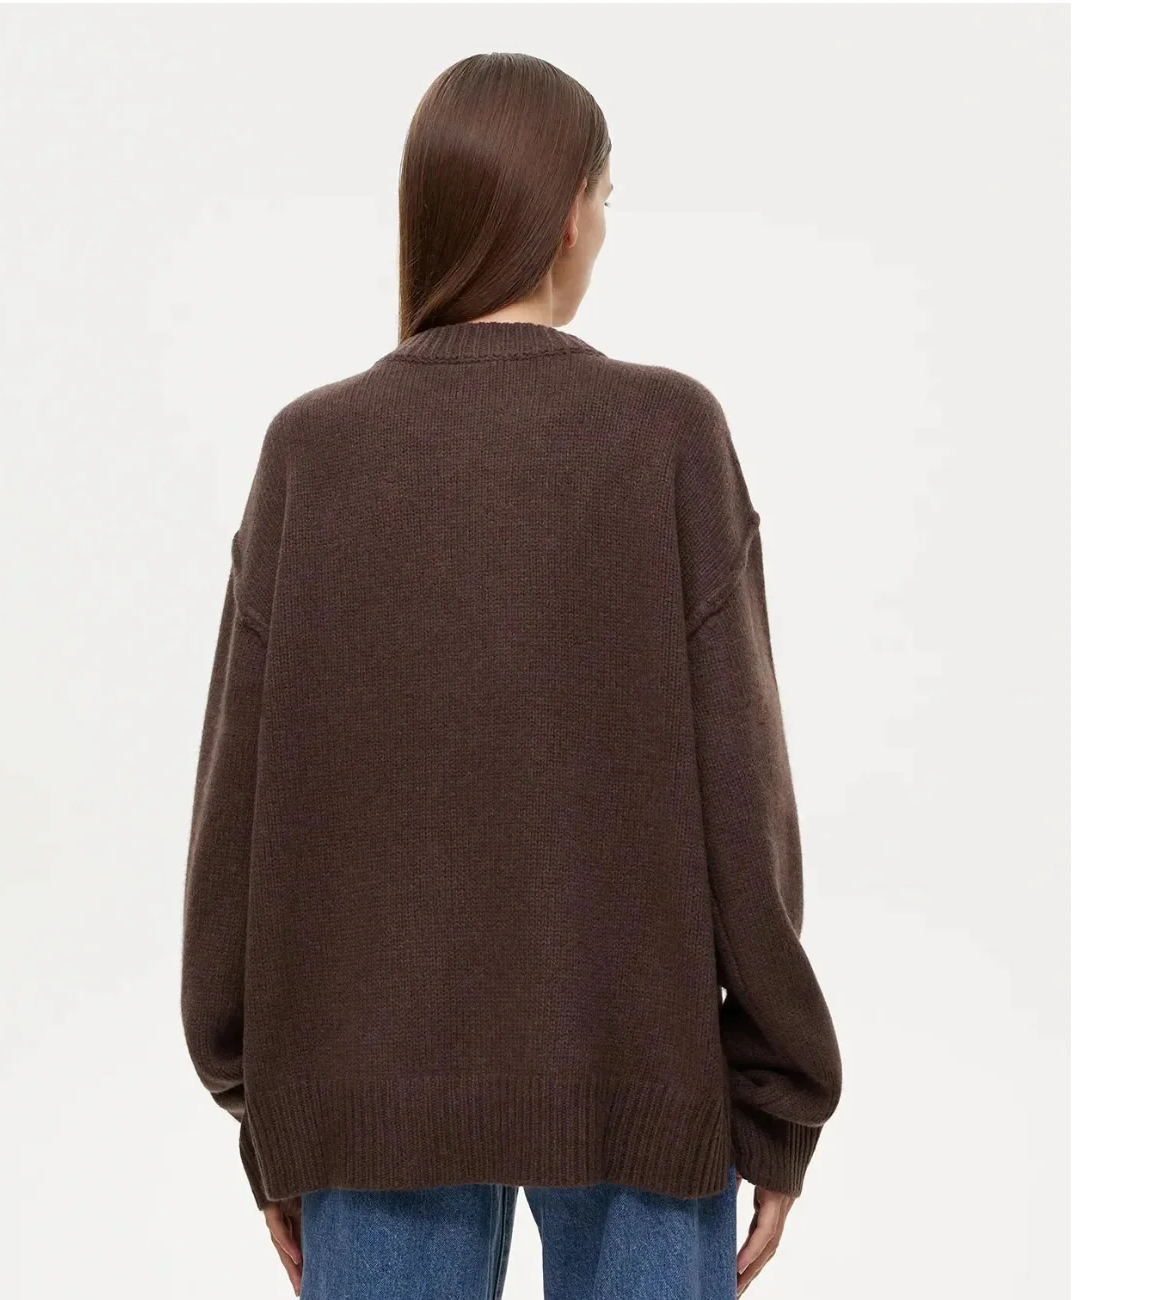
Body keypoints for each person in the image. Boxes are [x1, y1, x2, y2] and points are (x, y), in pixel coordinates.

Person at [181, 51, 841, 1299]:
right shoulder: (667, 433)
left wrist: (264, 1102)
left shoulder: (312, 451)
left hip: (365, 1095)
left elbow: (239, 811)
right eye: (607, 194)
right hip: (642, 1074)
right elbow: (741, 799)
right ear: (569, 213)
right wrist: (776, 1095)